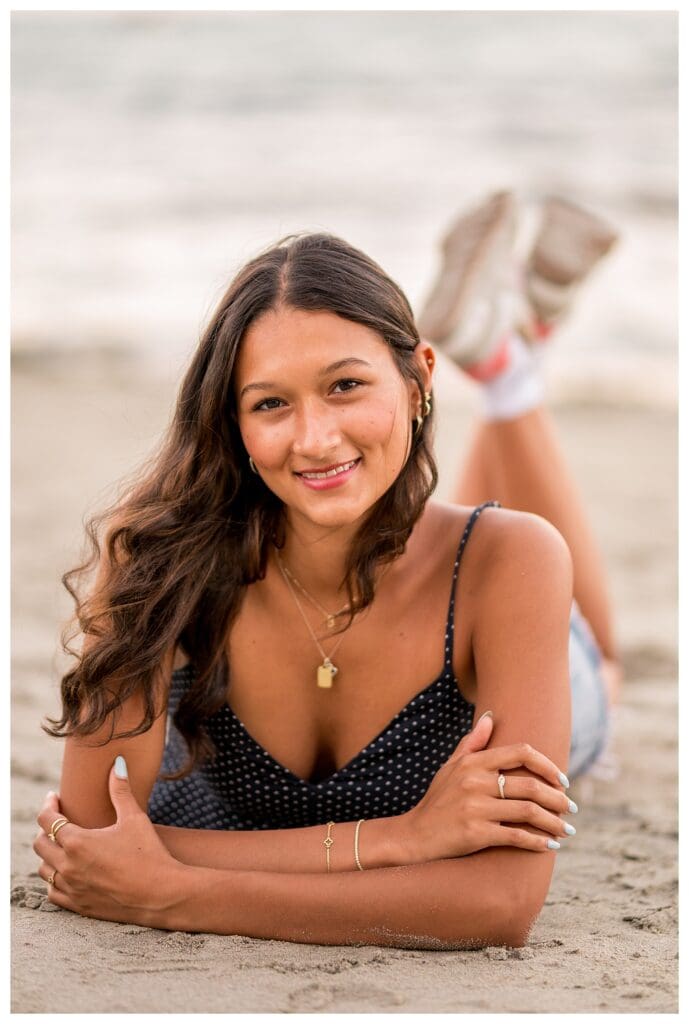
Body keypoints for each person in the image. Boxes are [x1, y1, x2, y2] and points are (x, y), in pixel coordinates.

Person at [33, 191, 621, 949]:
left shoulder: (508, 563)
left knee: (594, 661)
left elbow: (500, 901)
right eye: (271, 402)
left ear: (417, 382)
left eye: (346, 385)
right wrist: (401, 840)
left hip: (507, 624)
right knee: (455, 530)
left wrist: (176, 892)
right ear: (233, 424)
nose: (313, 438)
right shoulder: (157, 564)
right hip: (452, 581)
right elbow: (88, 846)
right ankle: (506, 347)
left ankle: (508, 368)